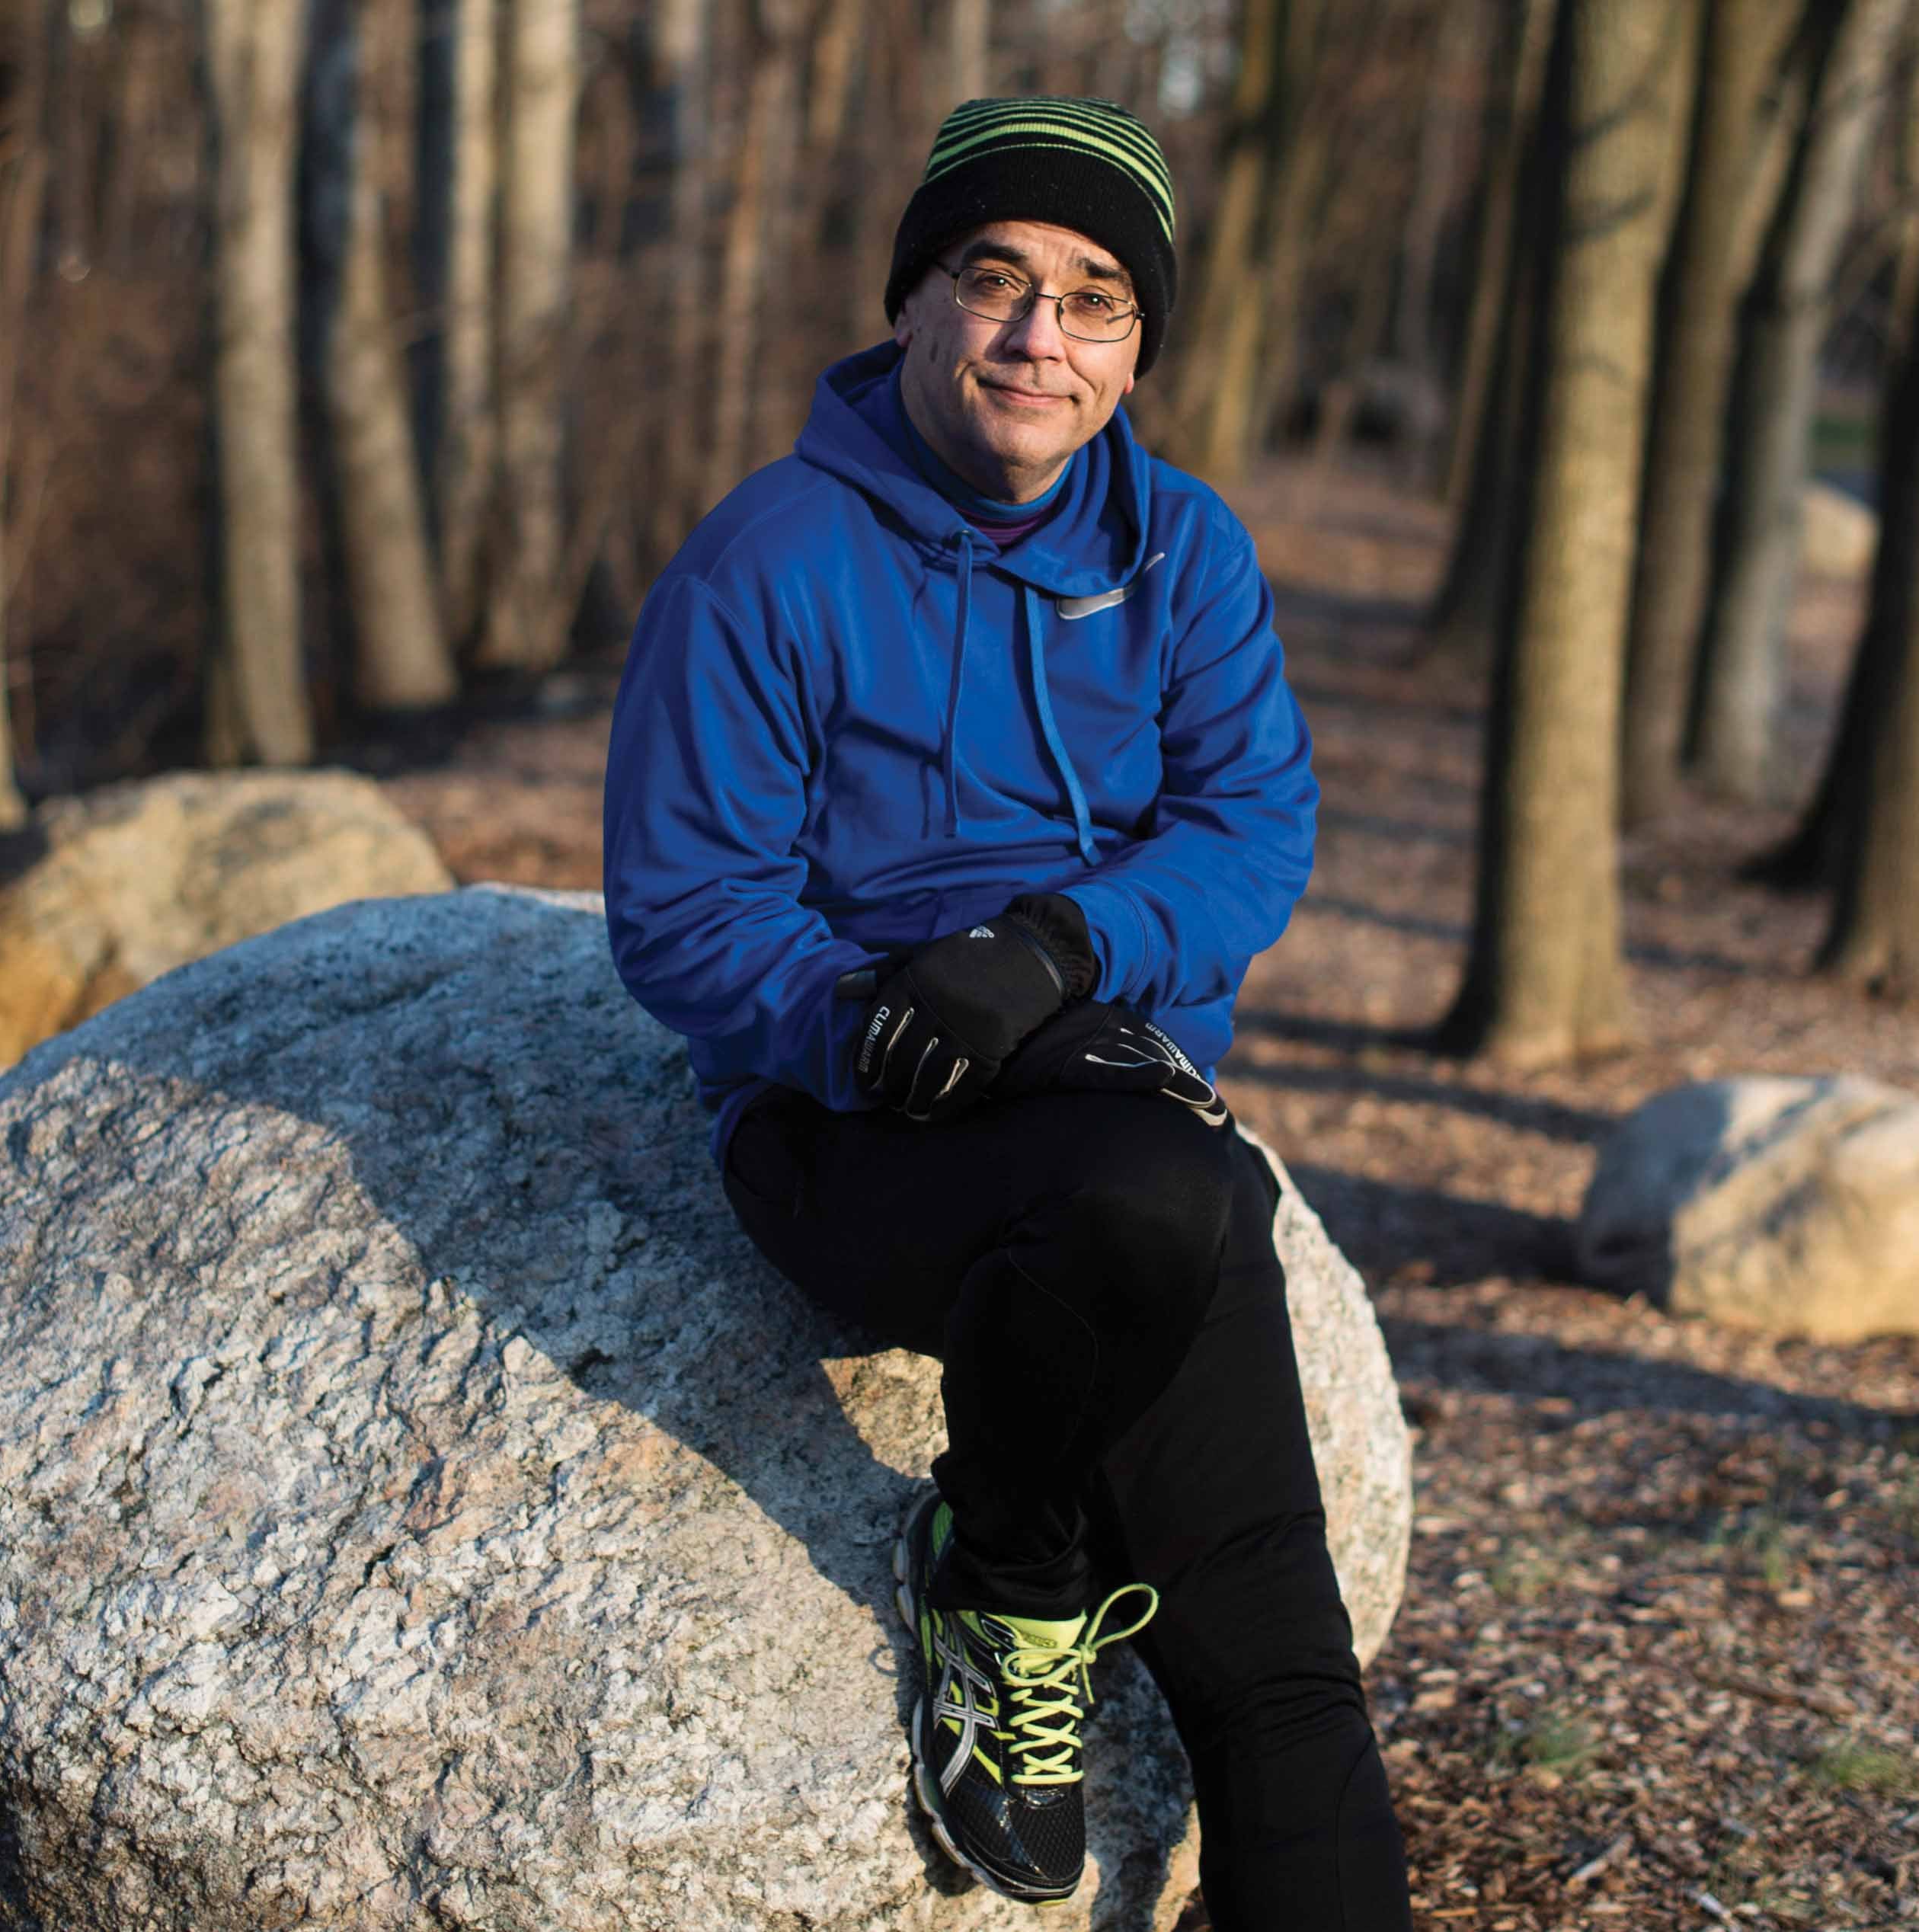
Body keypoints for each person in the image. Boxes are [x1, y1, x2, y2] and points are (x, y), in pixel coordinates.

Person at [603, 95, 1414, 1930]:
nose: (1039, 337)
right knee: (1184, 1195)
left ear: (1135, 353)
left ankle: (1008, 1550)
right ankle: (1004, 1559)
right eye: (995, 281)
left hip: (1106, 1093)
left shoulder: (1185, 551)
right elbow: (680, 909)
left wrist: (1056, 949)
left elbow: (1248, 824)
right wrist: (866, 1014)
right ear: (912, 305)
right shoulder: (765, 564)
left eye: (1094, 299)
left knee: (1280, 1669)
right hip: (852, 1132)